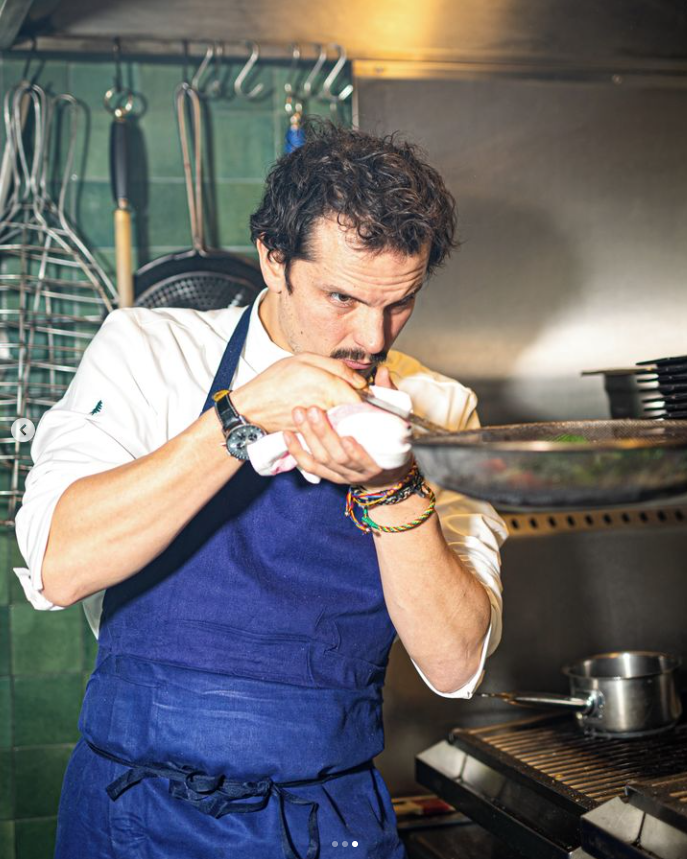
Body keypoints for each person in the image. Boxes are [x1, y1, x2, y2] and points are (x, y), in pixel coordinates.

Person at [14, 121, 506, 859]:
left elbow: (454, 662)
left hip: (324, 818)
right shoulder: (149, 350)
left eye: (399, 302)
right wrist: (237, 421)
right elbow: (58, 564)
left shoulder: (438, 408)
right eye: (340, 296)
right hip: (132, 814)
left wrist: (392, 487)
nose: (371, 338)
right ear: (273, 261)